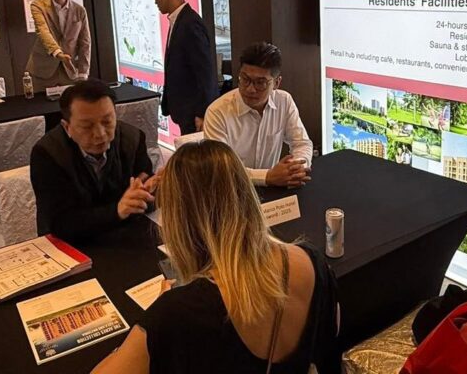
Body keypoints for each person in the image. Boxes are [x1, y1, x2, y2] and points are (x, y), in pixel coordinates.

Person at [92, 140, 340, 374]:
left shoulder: (175, 313)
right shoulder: (312, 260)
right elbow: (331, 333)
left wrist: (144, 331)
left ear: (179, 219)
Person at [30, 79, 155, 242]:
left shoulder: (133, 139)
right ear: (67, 127)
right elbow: (60, 224)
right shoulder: (48, 154)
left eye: (107, 121)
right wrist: (117, 210)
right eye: (87, 126)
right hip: (71, 245)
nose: (100, 134)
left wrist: (153, 193)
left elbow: (145, 199)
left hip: (124, 236)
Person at [203, 42, 313, 187]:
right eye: (245, 79)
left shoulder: (284, 101)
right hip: (232, 189)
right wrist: (267, 177)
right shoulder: (217, 112)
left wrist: (296, 168)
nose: (250, 89)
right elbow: (221, 168)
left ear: (276, 83)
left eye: (260, 83)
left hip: (274, 187)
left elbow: (302, 143)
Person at [148, 0, 217, 135]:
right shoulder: (179, 20)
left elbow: (205, 72)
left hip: (193, 114)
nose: (155, 1)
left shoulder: (190, 23)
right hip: (184, 111)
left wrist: (203, 112)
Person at [26, 0, 91, 88]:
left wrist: (83, 72)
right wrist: (58, 53)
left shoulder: (80, 10)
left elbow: (85, 42)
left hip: (69, 70)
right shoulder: (38, 6)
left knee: (71, 100)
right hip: (43, 69)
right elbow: (43, 31)